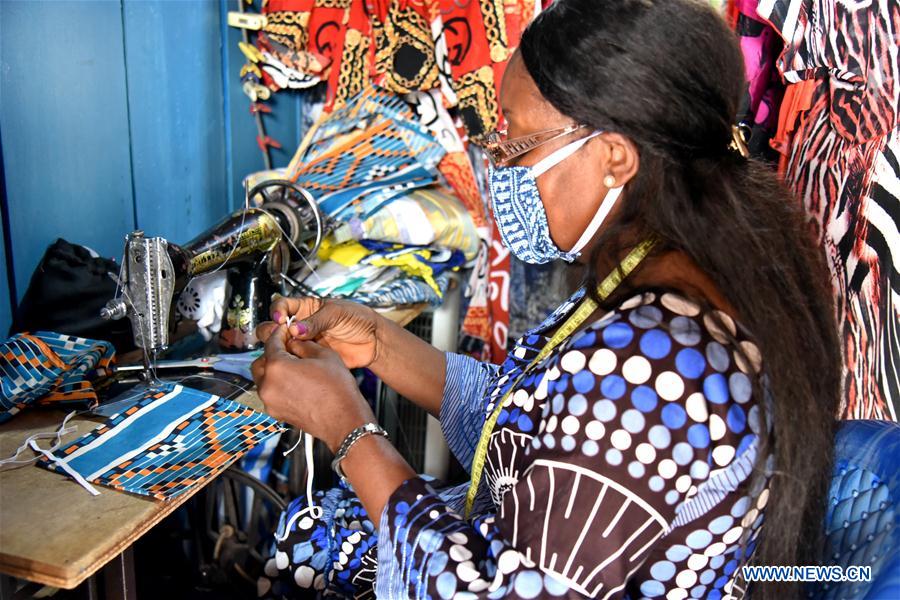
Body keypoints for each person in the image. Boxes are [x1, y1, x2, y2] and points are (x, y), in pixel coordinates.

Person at [251, 1, 841, 598]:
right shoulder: (658, 277)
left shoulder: (659, 359)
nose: (501, 166)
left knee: (312, 542)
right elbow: (522, 429)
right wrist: (376, 342)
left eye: (518, 146)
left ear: (614, 158)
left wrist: (345, 426)